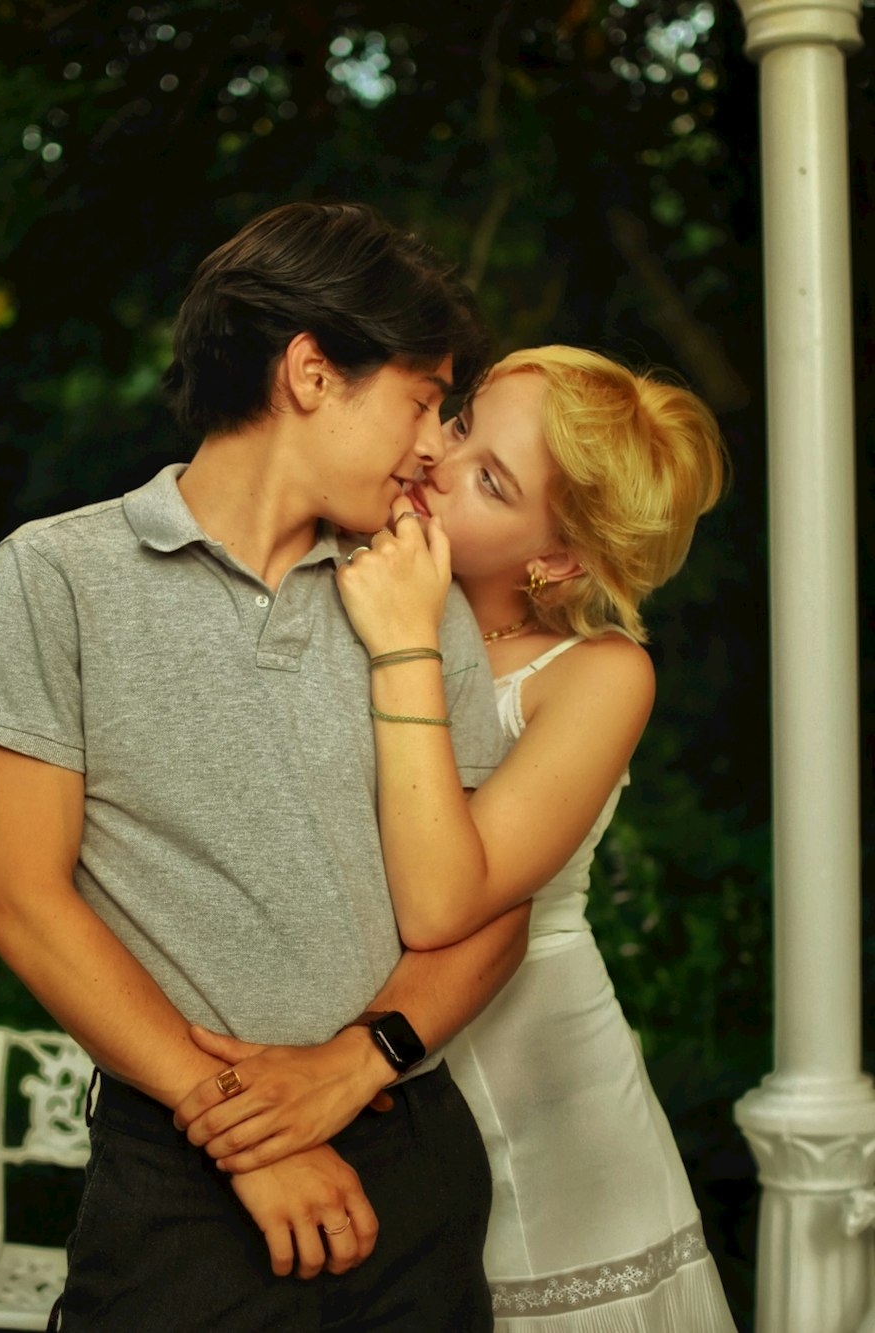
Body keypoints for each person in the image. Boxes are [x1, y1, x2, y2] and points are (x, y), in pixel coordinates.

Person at [0, 200, 532, 1331]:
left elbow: (494, 903)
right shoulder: (58, 575)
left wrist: (355, 1068)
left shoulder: (417, 594)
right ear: (312, 373)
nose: (433, 445)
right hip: (179, 1169)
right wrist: (243, 1130)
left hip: (411, 1150)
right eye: (421, 399)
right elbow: (23, 900)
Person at [182, 346, 738, 1330]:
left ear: (555, 558)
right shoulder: (330, 579)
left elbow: (441, 900)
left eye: (490, 478)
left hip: (540, 1102)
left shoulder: (597, 675)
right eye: (463, 420)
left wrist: (403, 644)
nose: (439, 458)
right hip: (357, 1091)